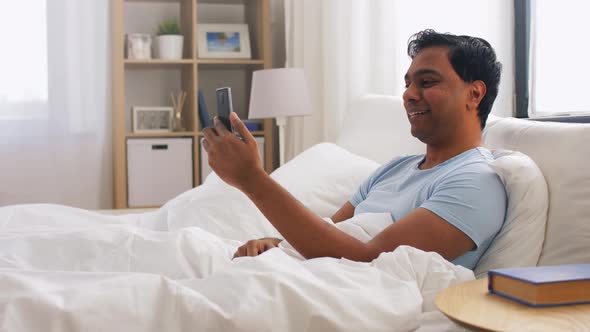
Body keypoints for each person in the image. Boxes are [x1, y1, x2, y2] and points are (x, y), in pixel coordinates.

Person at [201, 29, 507, 269]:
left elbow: (366, 259)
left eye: (426, 82)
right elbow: (328, 234)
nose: (409, 95)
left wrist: (252, 179)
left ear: (474, 94)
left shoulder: (475, 182)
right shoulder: (395, 168)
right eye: (407, 84)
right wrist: (274, 245)